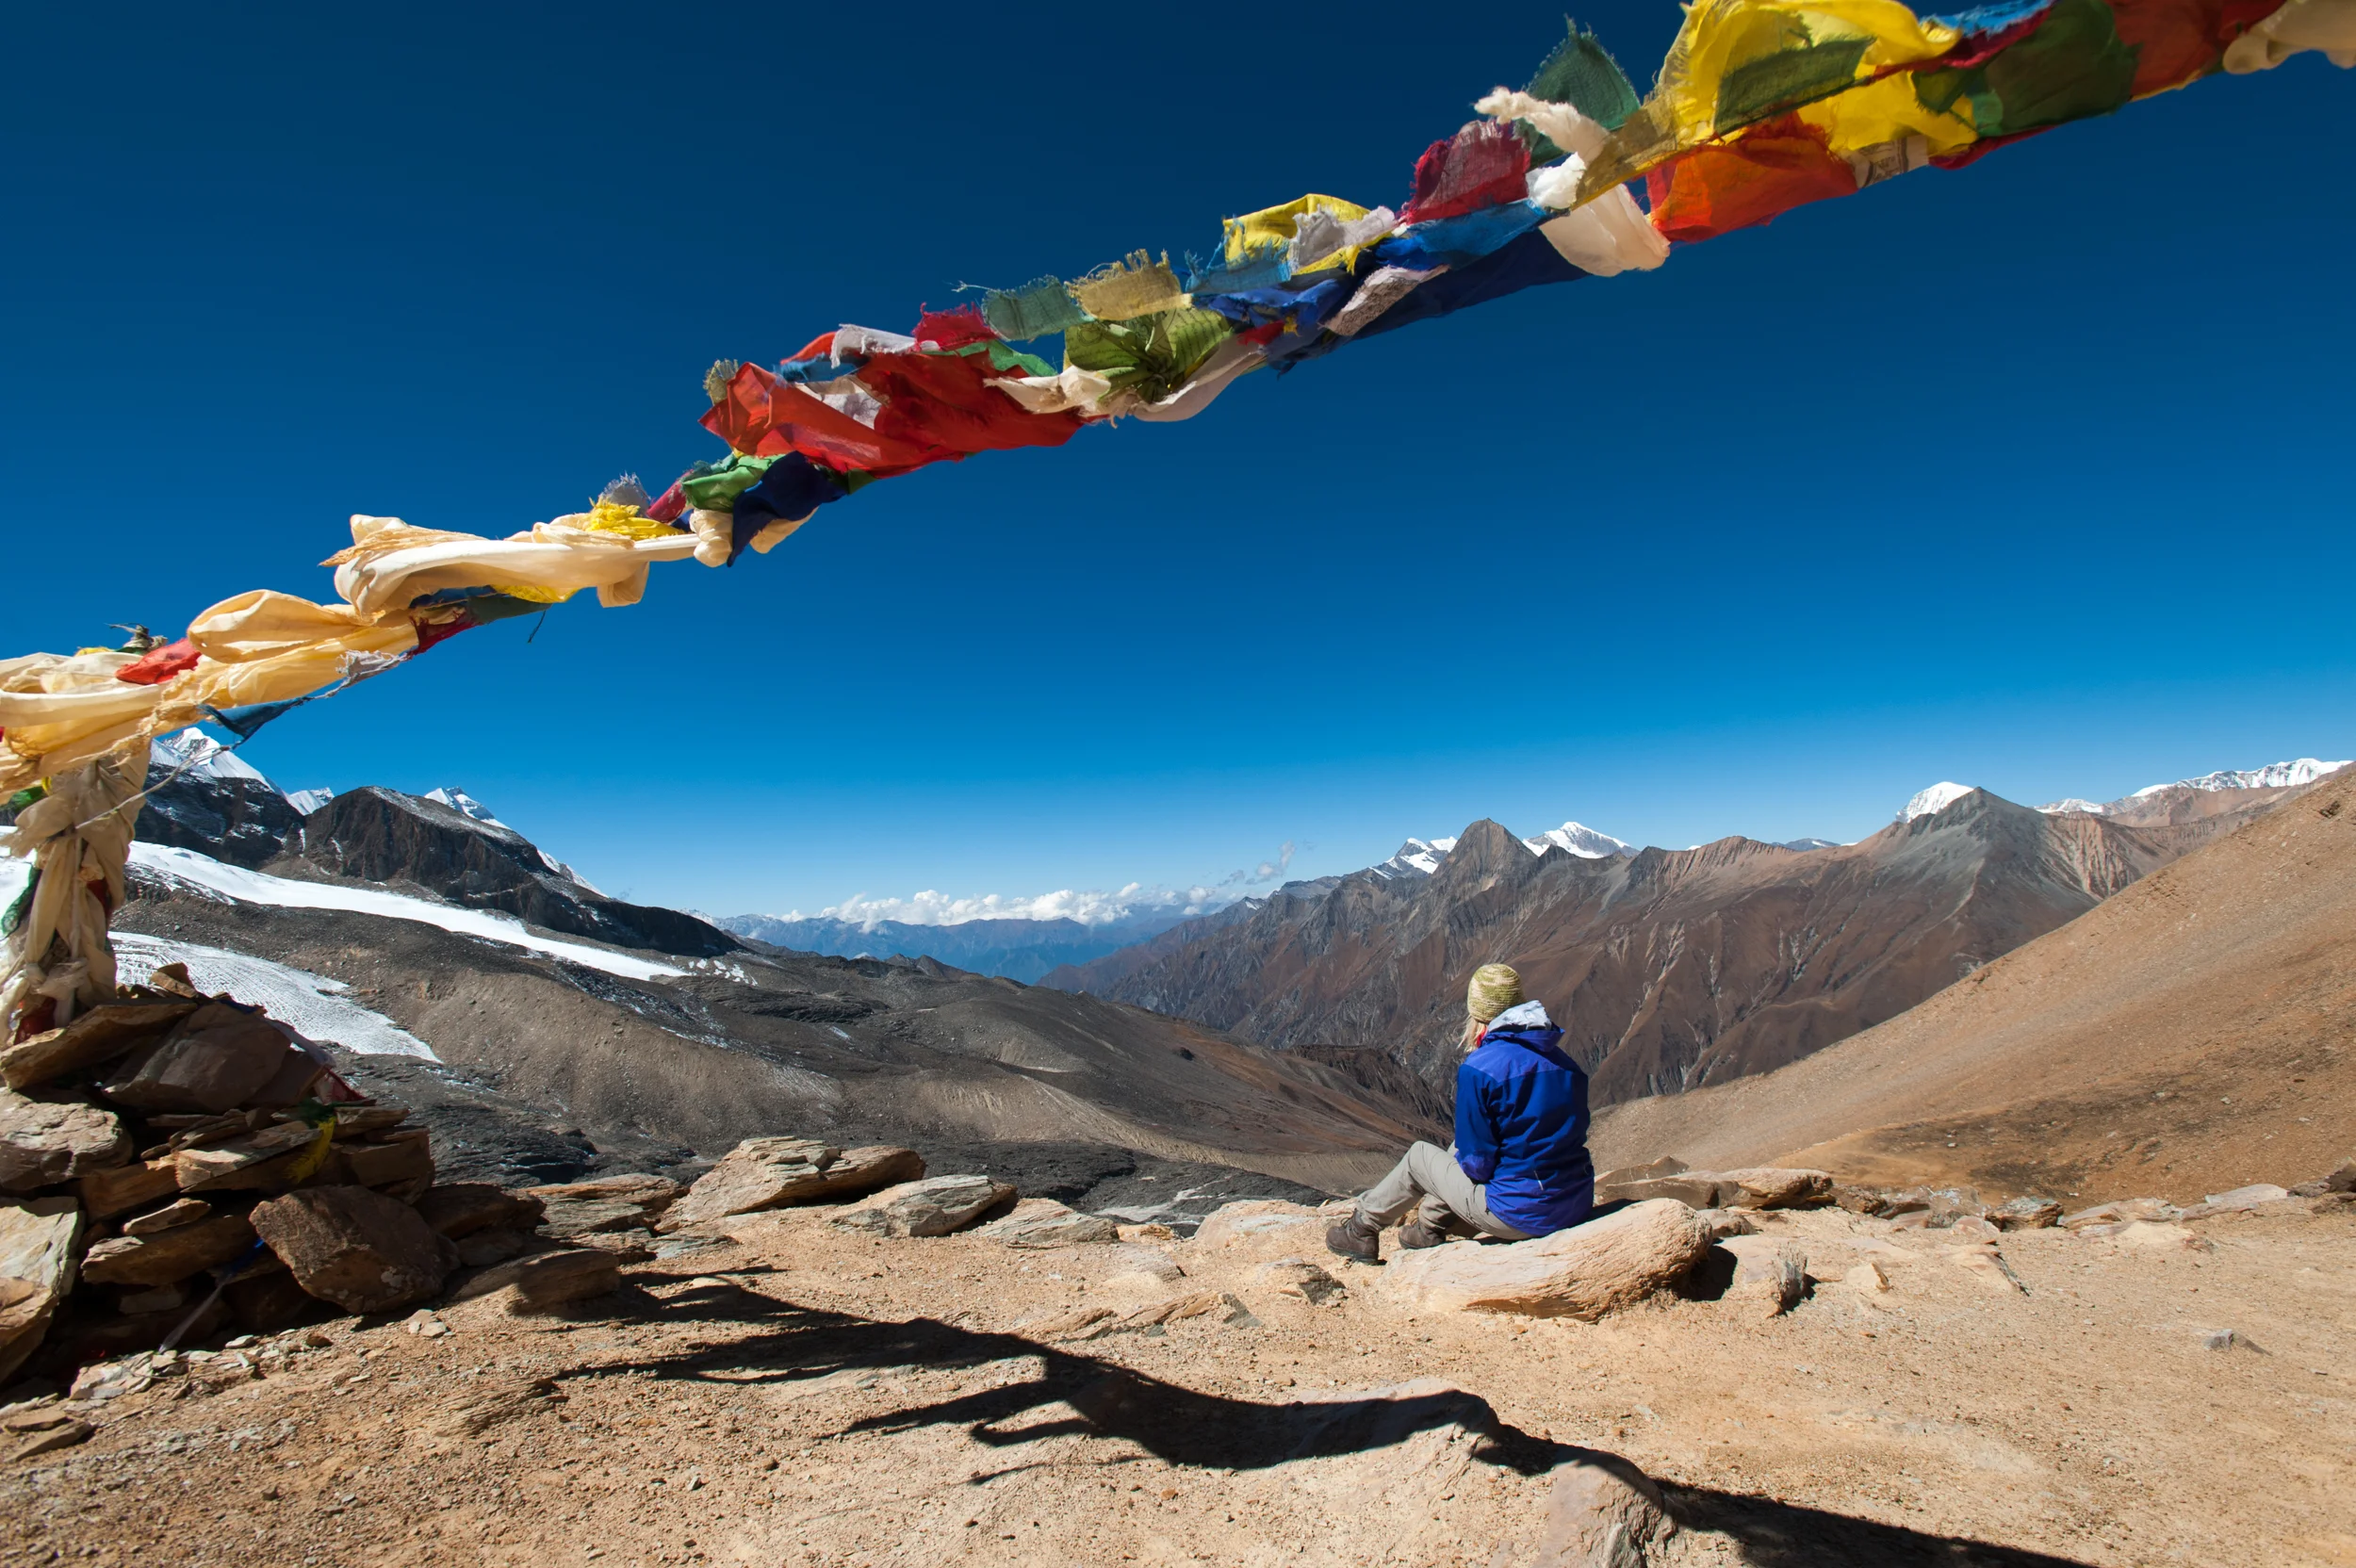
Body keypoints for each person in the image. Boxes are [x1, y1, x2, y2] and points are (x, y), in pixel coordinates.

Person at [1326, 963, 1594, 1261]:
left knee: (1419, 1157)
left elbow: (1477, 1165)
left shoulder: (1481, 1069)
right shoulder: (1563, 1062)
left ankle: (1360, 1230)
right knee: (1460, 1147)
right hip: (1576, 1201)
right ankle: (1428, 1229)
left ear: (1478, 1013)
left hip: (1519, 1214)